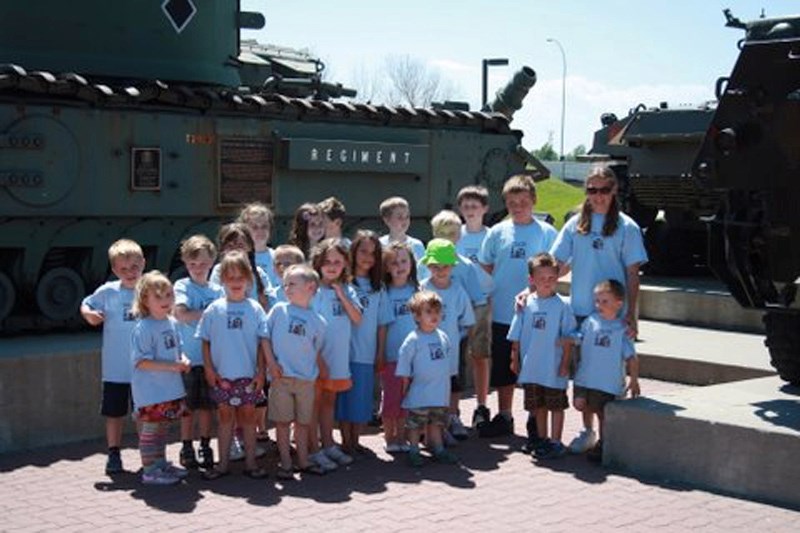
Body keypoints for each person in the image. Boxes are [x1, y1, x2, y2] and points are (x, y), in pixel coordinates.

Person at [550, 165, 648, 454]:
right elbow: (561, 263)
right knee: (584, 374)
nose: (598, 196)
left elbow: (632, 274)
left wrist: (630, 313)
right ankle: (588, 431)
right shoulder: (575, 224)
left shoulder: (626, 227)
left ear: (614, 190)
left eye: (604, 190)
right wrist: (533, 289)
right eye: (592, 190)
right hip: (582, 310)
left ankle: (609, 434)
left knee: (606, 377)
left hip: (612, 314)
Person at [478, 174, 557, 438]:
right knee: (503, 366)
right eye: (512, 202)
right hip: (503, 311)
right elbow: (486, 265)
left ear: (533, 200)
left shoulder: (546, 232)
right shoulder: (498, 232)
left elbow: (553, 270)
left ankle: (536, 418)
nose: (518, 206)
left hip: (536, 313)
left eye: (523, 201)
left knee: (534, 366)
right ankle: (504, 415)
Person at [197, 250, 269, 480]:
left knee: (248, 419)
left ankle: (250, 463)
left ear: (248, 280)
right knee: (225, 419)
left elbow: (261, 343)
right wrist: (209, 368)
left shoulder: (255, 309)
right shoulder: (214, 309)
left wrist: (261, 371)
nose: (236, 282)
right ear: (223, 280)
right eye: (231, 277)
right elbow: (205, 341)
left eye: (241, 277)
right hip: (222, 377)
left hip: (248, 376)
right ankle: (223, 464)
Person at [80, 238, 146, 474]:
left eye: (134, 267)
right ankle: (114, 453)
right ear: (115, 270)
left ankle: (146, 454)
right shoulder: (108, 292)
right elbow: (86, 304)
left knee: (143, 413)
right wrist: (90, 315)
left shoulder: (148, 290)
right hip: (116, 368)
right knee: (114, 413)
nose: (130, 273)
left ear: (143, 264)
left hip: (144, 368)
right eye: (123, 269)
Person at [262, 264, 328, 479]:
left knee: (302, 423)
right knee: (282, 423)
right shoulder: (279, 310)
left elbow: (314, 350)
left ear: (310, 287)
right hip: (281, 379)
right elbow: (264, 337)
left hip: (306, 381)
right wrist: (270, 363)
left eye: (292, 284)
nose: (287, 288)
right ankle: (286, 463)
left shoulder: (319, 322)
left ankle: (303, 461)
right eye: (285, 284)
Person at [507, 253, 577, 459]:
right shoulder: (525, 304)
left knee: (556, 405)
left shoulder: (563, 305)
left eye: (551, 278)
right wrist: (515, 359)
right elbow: (516, 336)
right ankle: (542, 439)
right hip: (531, 367)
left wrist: (565, 363)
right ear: (532, 280)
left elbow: (568, 338)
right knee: (538, 406)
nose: (547, 283)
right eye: (541, 278)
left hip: (554, 368)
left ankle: (556, 441)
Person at [129, 271, 191, 485]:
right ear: (145, 300)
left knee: (163, 428)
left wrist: (183, 360)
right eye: (158, 296)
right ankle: (149, 470)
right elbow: (141, 361)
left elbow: (178, 350)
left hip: (169, 389)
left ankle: (161, 464)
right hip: (151, 392)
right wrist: (173, 366)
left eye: (169, 295)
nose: (166, 301)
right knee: (151, 430)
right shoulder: (144, 327)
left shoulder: (172, 322)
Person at [569, 279, 641, 462]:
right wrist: (570, 338)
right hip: (585, 377)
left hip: (607, 382)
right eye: (597, 301)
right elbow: (580, 336)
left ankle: (603, 443)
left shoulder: (621, 329)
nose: (599, 305)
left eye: (605, 301)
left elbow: (631, 357)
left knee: (603, 414)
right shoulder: (591, 321)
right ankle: (587, 432)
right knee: (580, 403)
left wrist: (634, 380)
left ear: (619, 304)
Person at [309, 238, 363, 471]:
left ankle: (329, 443)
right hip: (315, 359)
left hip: (338, 359)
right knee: (313, 404)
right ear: (318, 263)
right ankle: (313, 449)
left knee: (329, 402)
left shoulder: (349, 290)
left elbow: (357, 318)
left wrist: (342, 295)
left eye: (337, 262)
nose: (332, 266)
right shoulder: (312, 290)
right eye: (327, 261)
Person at [336, 230, 390, 453]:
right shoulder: (341, 283)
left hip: (365, 353)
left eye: (373, 253)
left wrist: (380, 353)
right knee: (343, 400)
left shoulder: (378, 288)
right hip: (341, 352)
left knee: (360, 400)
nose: (367, 257)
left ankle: (355, 441)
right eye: (363, 251)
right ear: (353, 252)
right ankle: (344, 440)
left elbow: (382, 323)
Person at [173, 235, 223, 470]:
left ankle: (204, 444)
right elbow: (180, 313)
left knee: (207, 407)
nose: (198, 269)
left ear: (212, 261)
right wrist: (209, 315)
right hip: (189, 359)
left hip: (211, 360)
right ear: (185, 263)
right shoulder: (182, 285)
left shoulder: (217, 289)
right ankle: (186, 446)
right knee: (188, 408)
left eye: (203, 264)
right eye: (193, 264)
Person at [419, 237, 475, 444]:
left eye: (445, 266)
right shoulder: (422, 289)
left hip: (451, 351)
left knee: (451, 387)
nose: (440, 270)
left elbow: (467, 320)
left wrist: (460, 339)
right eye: (435, 266)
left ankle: (449, 421)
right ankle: (427, 429)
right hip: (425, 351)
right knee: (427, 388)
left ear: (452, 266)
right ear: (428, 266)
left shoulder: (458, 290)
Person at [397, 291, 458, 467]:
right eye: (428, 312)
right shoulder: (413, 339)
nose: (434, 316)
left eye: (437, 312)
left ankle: (438, 448)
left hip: (439, 392)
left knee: (436, 422)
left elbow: (446, 362)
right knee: (416, 424)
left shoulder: (443, 336)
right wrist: (405, 387)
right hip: (419, 392)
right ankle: (414, 449)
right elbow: (405, 366)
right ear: (417, 316)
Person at [456, 185, 494, 428]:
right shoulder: (453, 234)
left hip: (482, 303)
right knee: (456, 358)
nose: (470, 210)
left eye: (475, 206)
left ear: (485, 209)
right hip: (457, 304)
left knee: (480, 356)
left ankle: (481, 406)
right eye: (466, 206)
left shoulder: (492, 236)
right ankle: (452, 410)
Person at [380, 242, 419, 453]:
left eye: (404, 261)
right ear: (386, 267)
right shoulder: (384, 292)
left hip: (414, 357)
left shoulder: (417, 290)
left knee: (407, 400)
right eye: (394, 263)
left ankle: (402, 437)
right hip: (391, 355)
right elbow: (382, 325)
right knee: (391, 398)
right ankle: (389, 437)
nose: (400, 266)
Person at [238, 202, 281, 288]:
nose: (260, 231)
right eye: (255, 227)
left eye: (264, 226)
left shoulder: (278, 256)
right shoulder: (237, 258)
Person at [378, 196, 426, 262]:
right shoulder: (379, 244)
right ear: (387, 220)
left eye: (407, 216)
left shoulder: (417, 245)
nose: (404, 220)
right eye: (399, 217)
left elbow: (423, 271)